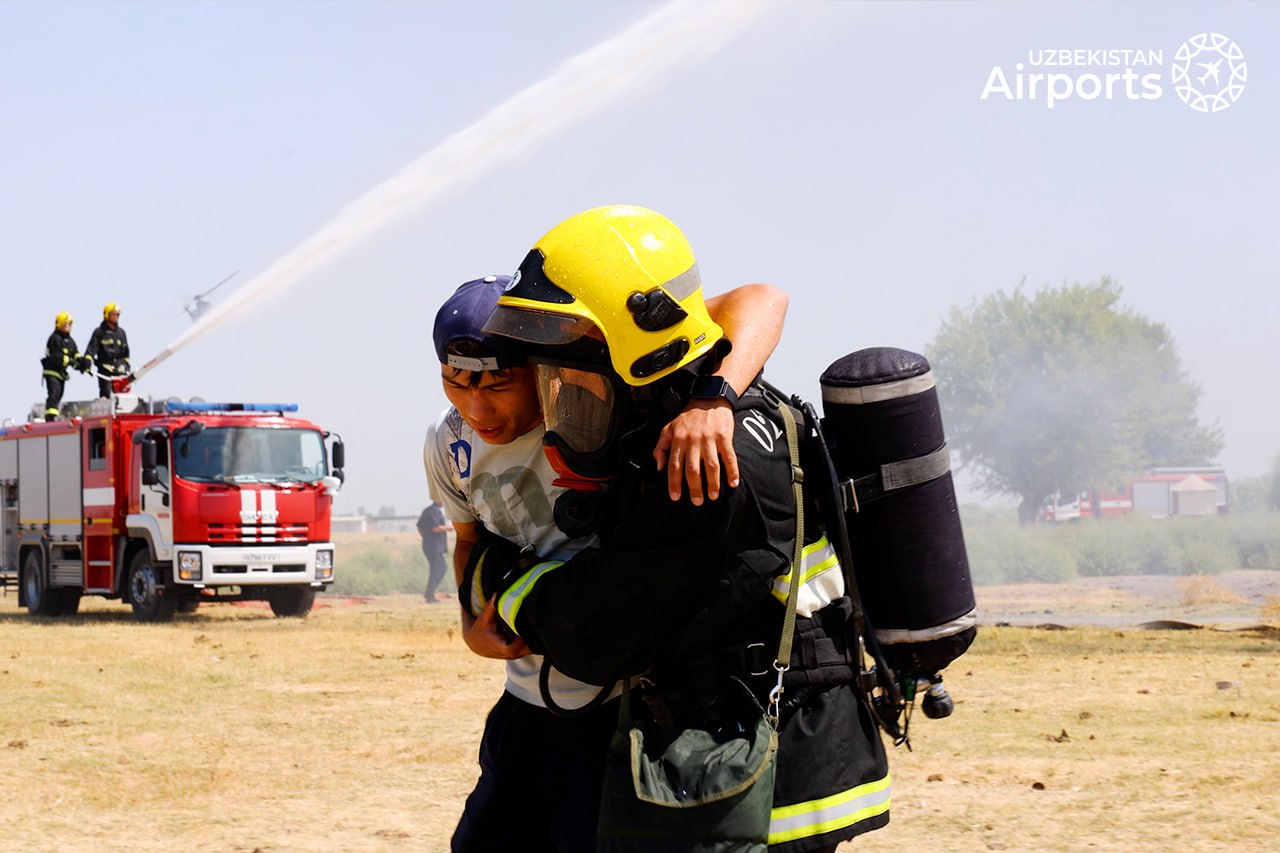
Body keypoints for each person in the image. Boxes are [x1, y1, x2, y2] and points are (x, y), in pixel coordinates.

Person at [480, 205, 891, 851]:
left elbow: (598, 628)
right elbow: (754, 298)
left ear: (640, 361)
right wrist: (715, 394)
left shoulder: (704, 464)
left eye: (576, 386)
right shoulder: (709, 399)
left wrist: (504, 579)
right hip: (768, 741)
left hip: (763, 773)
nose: (563, 408)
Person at [425, 272, 786, 852]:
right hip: (525, 705)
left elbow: (763, 299)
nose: (476, 406)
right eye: (455, 382)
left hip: (623, 710)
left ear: (545, 367)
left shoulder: (597, 402)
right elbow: (468, 542)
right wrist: (470, 627)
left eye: (498, 384)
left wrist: (714, 398)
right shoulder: (449, 445)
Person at [41, 311, 90, 421]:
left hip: (61, 373)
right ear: (59, 324)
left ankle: (53, 415)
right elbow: (58, 357)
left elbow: (75, 354)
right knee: (54, 394)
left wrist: (83, 364)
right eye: (65, 323)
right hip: (52, 372)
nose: (67, 326)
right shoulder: (54, 339)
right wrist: (73, 363)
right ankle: (50, 417)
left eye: (69, 324)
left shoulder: (70, 341)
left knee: (59, 395)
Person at [85, 302, 131, 398]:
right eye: (113, 314)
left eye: (117, 314)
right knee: (105, 395)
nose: (115, 317)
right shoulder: (99, 332)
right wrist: (87, 363)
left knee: (122, 398)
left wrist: (126, 366)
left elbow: (126, 353)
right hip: (105, 371)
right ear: (106, 315)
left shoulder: (121, 333)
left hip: (119, 371)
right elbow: (91, 349)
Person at [416, 500, 451, 603]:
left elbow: (419, 527)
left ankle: (429, 594)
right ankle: (429, 595)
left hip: (430, 546)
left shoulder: (427, 511)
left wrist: (425, 538)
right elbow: (436, 528)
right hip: (434, 546)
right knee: (439, 569)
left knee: (437, 569)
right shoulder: (434, 511)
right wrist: (449, 528)